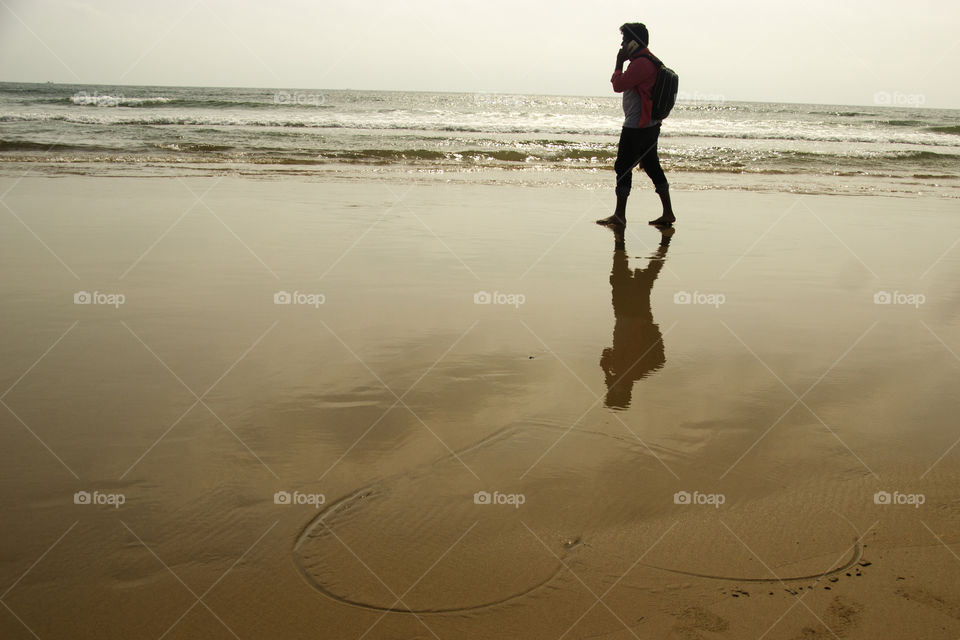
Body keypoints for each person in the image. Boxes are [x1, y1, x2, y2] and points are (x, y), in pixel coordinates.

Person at [597, 23, 675, 228]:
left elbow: (618, 85)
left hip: (637, 125)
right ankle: (668, 212)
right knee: (651, 166)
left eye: (624, 40)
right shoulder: (652, 61)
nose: (621, 45)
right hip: (649, 124)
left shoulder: (641, 63)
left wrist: (618, 63)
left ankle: (620, 215)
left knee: (623, 167)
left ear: (633, 42)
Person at [600, 225, 673, 409]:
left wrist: (608, 374)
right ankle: (660, 241)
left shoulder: (626, 371)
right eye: (612, 390)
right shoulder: (631, 371)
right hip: (632, 317)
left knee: (630, 278)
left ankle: (625, 238)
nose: (610, 386)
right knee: (636, 278)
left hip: (627, 316)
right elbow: (607, 355)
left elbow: (605, 355)